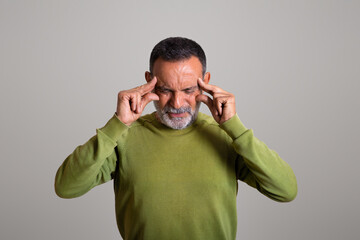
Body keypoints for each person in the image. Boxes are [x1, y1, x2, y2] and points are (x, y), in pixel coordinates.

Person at [55, 37, 297, 240]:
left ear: (206, 82)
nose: (177, 103)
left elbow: (285, 190)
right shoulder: (124, 137)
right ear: (149, 82)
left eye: (189, 90)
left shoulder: (226, 137)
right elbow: (66, 187)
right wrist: (117, 124)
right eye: (165, 90)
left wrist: (234, 127)